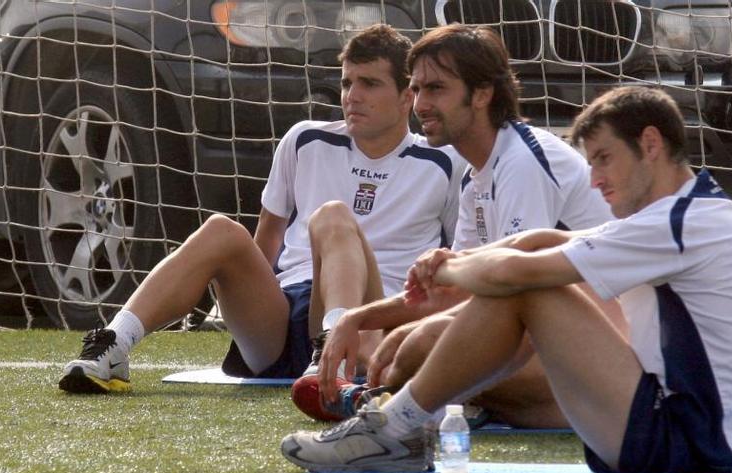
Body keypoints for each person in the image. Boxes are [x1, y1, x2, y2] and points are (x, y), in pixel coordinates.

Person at [281, 85, 732, 473]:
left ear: (650, 144)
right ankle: (404, 423)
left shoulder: (680, 224)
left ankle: (396, 429)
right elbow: (541, 243)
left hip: (696, 448)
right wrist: (382, 306)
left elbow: (513, 274)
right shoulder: (692, 214)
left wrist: (446, 267)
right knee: (426, 336)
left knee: (518, 294)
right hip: (704, 440)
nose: (594, 180)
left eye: (604, 159)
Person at [57, 24, 464, 394]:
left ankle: (333, 358)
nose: (352, 96)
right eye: (346, 82)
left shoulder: (445, 162)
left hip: (372, 321)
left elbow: (455, 262)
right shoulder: (305, 140)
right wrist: (242, 301)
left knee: (334, 217)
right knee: (220, 229)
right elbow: (265, 242)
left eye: (370, 84)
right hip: (282, 319)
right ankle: (112, 345)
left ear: (408, 95)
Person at [293, 24, 620, 428]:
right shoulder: (473, 176)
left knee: (423, 344)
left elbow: (510, 293)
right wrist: (356, 319)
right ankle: (411, 405)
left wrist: (401, 330)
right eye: (417, 90)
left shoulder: (521, 163)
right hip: (555, 346)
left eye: (436, 89)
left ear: (481, 94)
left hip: (605, 348)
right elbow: (451, 290)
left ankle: (387, 412)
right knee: (415, 344)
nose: (420, 104)